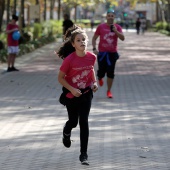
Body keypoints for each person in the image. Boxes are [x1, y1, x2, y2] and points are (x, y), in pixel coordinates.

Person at [57, 25, 98, 165]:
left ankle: (83, 154)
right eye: (78, 40)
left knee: (84, 122)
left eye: (84, 39)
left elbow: (90, 70)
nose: (82, 42)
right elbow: (60, 78)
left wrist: (94, 82)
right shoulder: (69, 60)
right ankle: (66, 131)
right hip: (71, 95)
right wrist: (72, 90)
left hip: (86, 93)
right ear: (73, 44)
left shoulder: (92, 57)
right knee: (73, 122)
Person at [92, 9, 125, 98]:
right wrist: (94, 48)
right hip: (102, 53)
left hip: (112, 54)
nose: (110, 17)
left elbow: (122, 38)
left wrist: (116, 31)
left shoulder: (117, 27)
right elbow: (94, 38)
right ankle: (100, 77)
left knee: (110, 73)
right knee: (101, 71)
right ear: (106, 17)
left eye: (112, 16)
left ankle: (109, 91)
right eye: (109, 15)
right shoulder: (101, 27)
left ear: (114, 17)